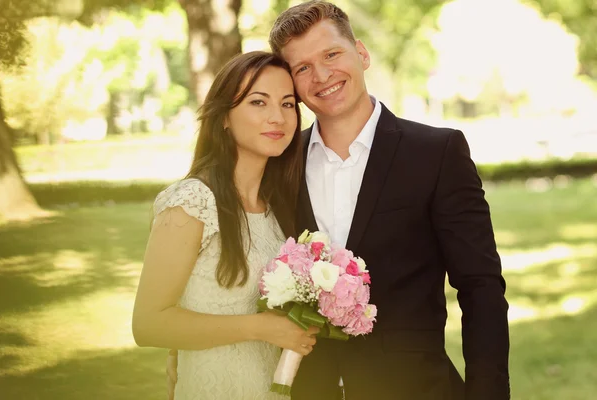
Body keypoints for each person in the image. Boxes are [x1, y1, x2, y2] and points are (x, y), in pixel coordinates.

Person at [169, 1, 510, 399]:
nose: (322, 75)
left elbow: (481, 287)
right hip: (306, 390)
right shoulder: (277, 165)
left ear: (361, 53)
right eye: (302, 68)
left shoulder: (437, 153)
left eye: (332, 54)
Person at [132, 51, 320, 400]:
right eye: (258, 102)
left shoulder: (280, 209)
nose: (277, 117)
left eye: (288, 104)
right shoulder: (191, 202)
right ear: (224, 118)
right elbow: (148, 325)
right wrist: (260, 328)